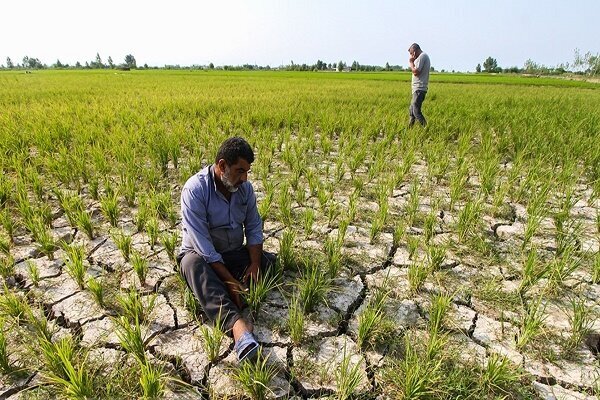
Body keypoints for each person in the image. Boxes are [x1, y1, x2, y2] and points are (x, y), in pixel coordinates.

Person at [177, 137, 276, 363]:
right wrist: (231, 281)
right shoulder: (195, 190)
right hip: (202, 257)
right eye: (240, 171)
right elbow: (205, 248)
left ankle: (226, 288)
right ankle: (238, 328)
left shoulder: (245, 190)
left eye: (247, 171)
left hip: (232, 254)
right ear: (222, 166)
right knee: (193, 266)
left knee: (268, 262)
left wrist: (254, 264)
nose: (245, 178)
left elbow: (253, 228)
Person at [408, 43, 431, 127]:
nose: (411, 56)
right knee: (411, 110)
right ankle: (410, 128)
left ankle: (426, 128)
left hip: (419, 88)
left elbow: (416, 72)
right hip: (417, 89)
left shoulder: (422, 56)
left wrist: (411, 62)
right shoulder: (421, 57)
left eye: (411, 53)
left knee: (416, 110)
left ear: (414, 51)